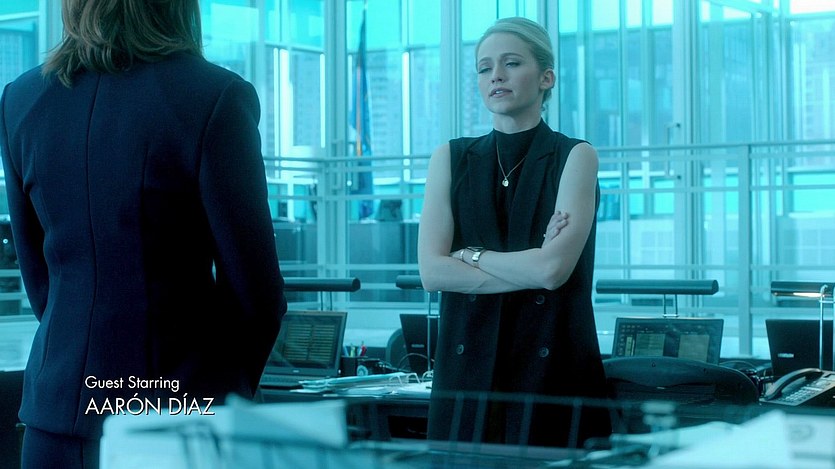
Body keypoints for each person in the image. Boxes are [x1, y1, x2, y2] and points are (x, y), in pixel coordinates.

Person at [0, 1, 287, 467]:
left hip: (55, 417)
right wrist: (219, 392)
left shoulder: (21, 98)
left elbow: (39, 280)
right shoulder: (214, 96)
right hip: (177, 420)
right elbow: (258, 295)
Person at [417, 17, 611, 448]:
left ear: (546, 78)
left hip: (552, 370)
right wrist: (530, 265)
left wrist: (468, 255)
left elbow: (551, 272)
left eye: (511, 63)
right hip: (465, 375)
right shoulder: (449, 157)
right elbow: (431, 272)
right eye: (484, 68)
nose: (496, 76)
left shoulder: (576, 156)